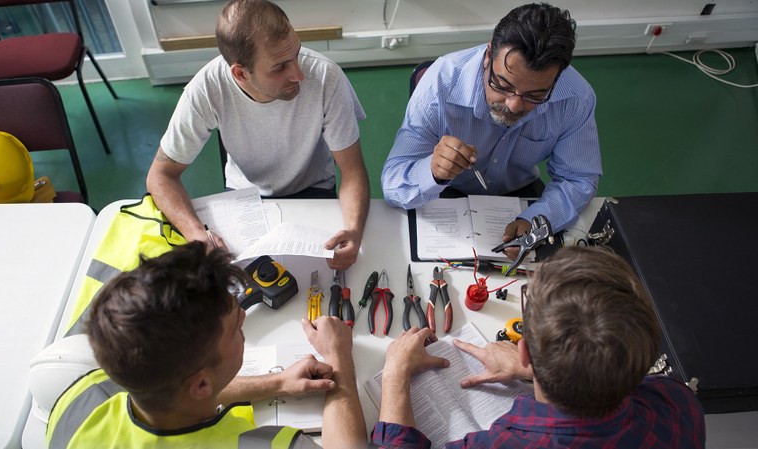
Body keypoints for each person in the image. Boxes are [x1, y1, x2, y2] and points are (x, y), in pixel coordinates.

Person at [371, 246, 705, 448]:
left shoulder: (508, 443)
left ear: (524, 351)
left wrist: (395, 374)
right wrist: (554, 367)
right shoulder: (677, 404)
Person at [45, 241, 366, 448]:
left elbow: (173, 393)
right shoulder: (269, 445)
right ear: (200, 384)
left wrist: (277, 382)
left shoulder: (79, 401)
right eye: (236, 330)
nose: (243, 316)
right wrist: (338, 357)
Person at [146, 0, 369, 271]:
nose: (298, 74)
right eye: (279, 67)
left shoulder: (325, 76)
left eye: (296, 54)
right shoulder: (205, 89)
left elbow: (352, 170)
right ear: (240, 73)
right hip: (245, 195)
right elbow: (160, 175)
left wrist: (355, 230)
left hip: (314, 189)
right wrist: (196, 234)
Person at [381, 3, 602, 259]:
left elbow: (578, 179)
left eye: (536, 95)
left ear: (558, 77)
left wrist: (539, 220)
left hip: (520, 190)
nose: (514, 105)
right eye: (503, 85)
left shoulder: (576, 97)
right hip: (447, 190)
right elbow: (393, 185)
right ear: (488, 56)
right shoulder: (441, 80)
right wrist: (433, 170)